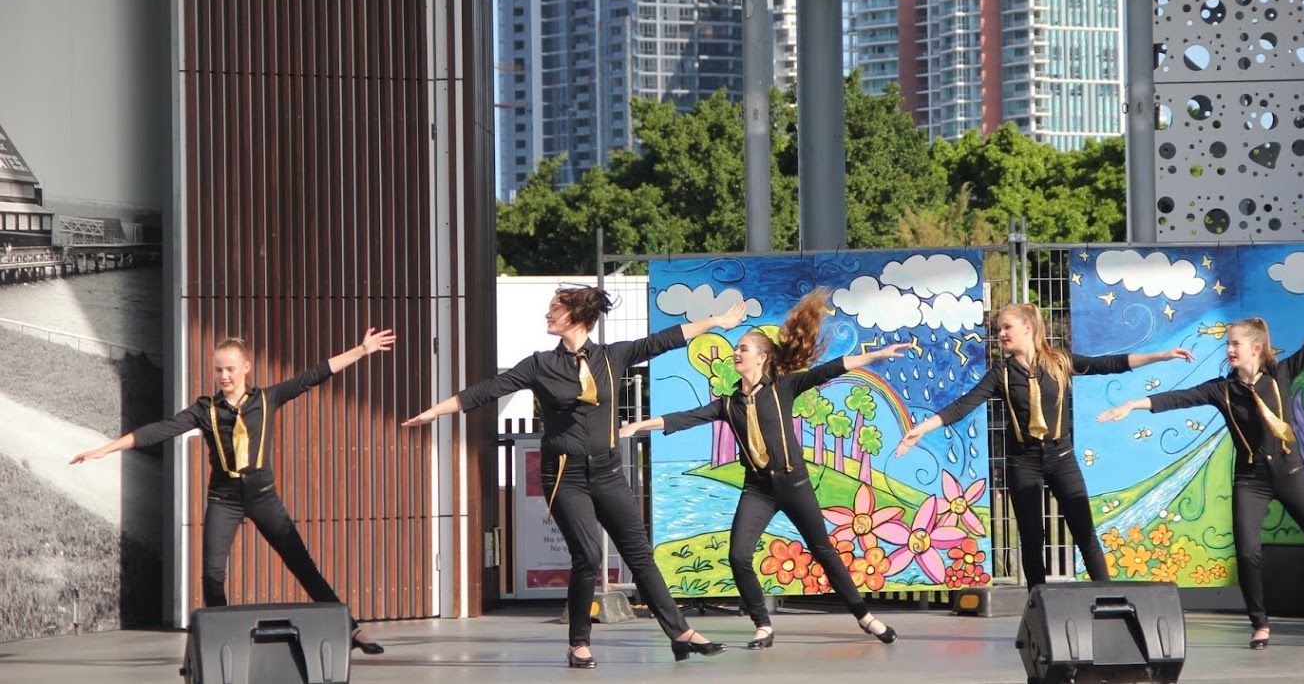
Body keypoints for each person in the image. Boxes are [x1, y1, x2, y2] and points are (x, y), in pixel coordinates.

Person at [404, 287, 745, 668]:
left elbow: (665, 340)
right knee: (588, 556)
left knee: (640, 556)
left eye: (555, 309)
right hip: (565, 475)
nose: (548, 316)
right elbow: (487, 390)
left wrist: (717, 321)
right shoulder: (540, 364)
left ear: (576, 316)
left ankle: (680, 634)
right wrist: (435, 412)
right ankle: (578, 643)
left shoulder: (612, 356)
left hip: (608, 471)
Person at [1097, 304, 1304, 649]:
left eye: (1235, 344)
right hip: (1251, 480)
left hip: (1289, 473)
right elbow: (1177, 398)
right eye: (1228, 345)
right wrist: (1132, 405)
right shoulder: (1223, 390)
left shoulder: (1282, 374)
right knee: (1247, 553)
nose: (1229, 350)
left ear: (1255, 348)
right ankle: (1259, 623)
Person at [71, 328, 395, 655]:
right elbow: (160, 430)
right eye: (218, 370)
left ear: (246, 368)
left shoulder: (267, 400)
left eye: (229, 369)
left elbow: (314, 375)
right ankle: (219, 644)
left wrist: (362, 350)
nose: (223, 375)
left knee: (302, 565)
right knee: (212, 574)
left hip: (263, 496)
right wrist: (107, 448)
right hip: (223, 499)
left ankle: (352, 630)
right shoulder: (205, 410)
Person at [620, 289, 909, 649]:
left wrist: (876, 355)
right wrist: (638, 426)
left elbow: (831, 369)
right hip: (758, 489)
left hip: (795, 483)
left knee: (823, 551)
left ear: (762, 358)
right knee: (738, 555)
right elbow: (685, 418)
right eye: (737, 348)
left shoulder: (784, 387)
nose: (736, 353)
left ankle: (866, 618)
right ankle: (763, 625)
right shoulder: (728, 404)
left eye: (743, 348)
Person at [896, 303, 1193, 587]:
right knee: (1032, 536)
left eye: (1007, 327)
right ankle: (1037, 600)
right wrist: (922, 428)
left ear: (1027, 327)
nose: (1001, 334)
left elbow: (1110, 364)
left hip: (1060, 456)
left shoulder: (1060, 361)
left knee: (1083, 529)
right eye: (999, 328)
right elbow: (964, 405)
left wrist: (1162, 355)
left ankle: (1107, 592)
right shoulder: (1001, 374)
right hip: (1022, 461)